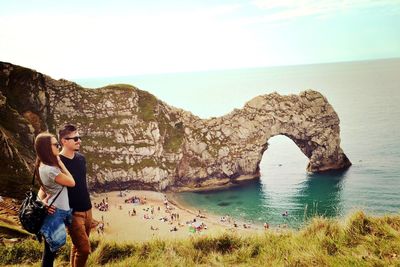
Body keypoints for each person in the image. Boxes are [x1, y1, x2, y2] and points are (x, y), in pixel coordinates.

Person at [35, 132, 75, 267]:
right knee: (49, 254)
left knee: (50, 252)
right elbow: (71, 182)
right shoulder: (51, 170)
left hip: (54, 211)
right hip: (56, 214)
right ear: (46, 148)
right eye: (55, 144)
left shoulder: (42, 165)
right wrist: (60, 163)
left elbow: (42, 188)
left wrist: (42, 202)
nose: (58, 147)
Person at [59, 124, 93, 267]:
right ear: (64, 141)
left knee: (77, 246)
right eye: (75, 138)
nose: (79, 141)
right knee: (84, 249)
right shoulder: (58, 162)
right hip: (73, 212)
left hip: (88, 208)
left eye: (79, 137)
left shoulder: (81, 158)